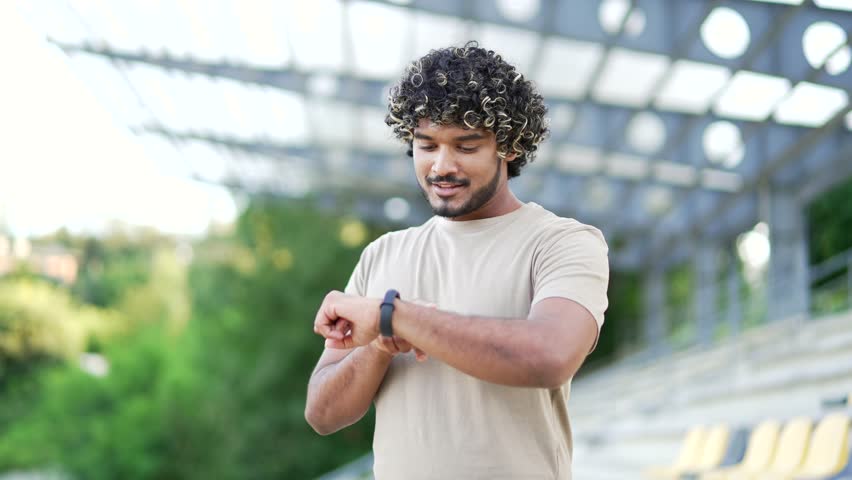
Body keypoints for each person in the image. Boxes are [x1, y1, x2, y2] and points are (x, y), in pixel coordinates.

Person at [305, 42, 609, 479]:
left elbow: (550, 355)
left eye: (466, 146)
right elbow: (323, 413)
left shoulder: (562, 242)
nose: (441, 166)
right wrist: (379, 343)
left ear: (509, 146)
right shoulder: (383, 254)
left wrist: (393, 316)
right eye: (426, 145)